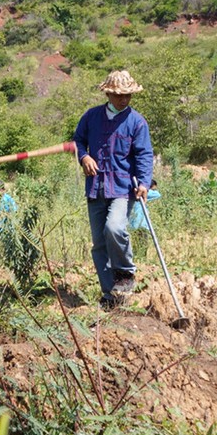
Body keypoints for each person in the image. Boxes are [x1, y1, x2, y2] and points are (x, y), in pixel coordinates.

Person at [73, 70, 154, 310]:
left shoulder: (137, 122)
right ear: (108, 93)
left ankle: (125, 273)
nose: (124, 100)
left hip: (122, 187)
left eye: (127, 95)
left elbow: (144, 154)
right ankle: (110, 295)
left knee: (114, 227)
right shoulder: (91, 117)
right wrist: (84, 156)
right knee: (99, 243)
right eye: (119, 95)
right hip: (96, 187)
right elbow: (77, 141)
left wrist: (144, 183)